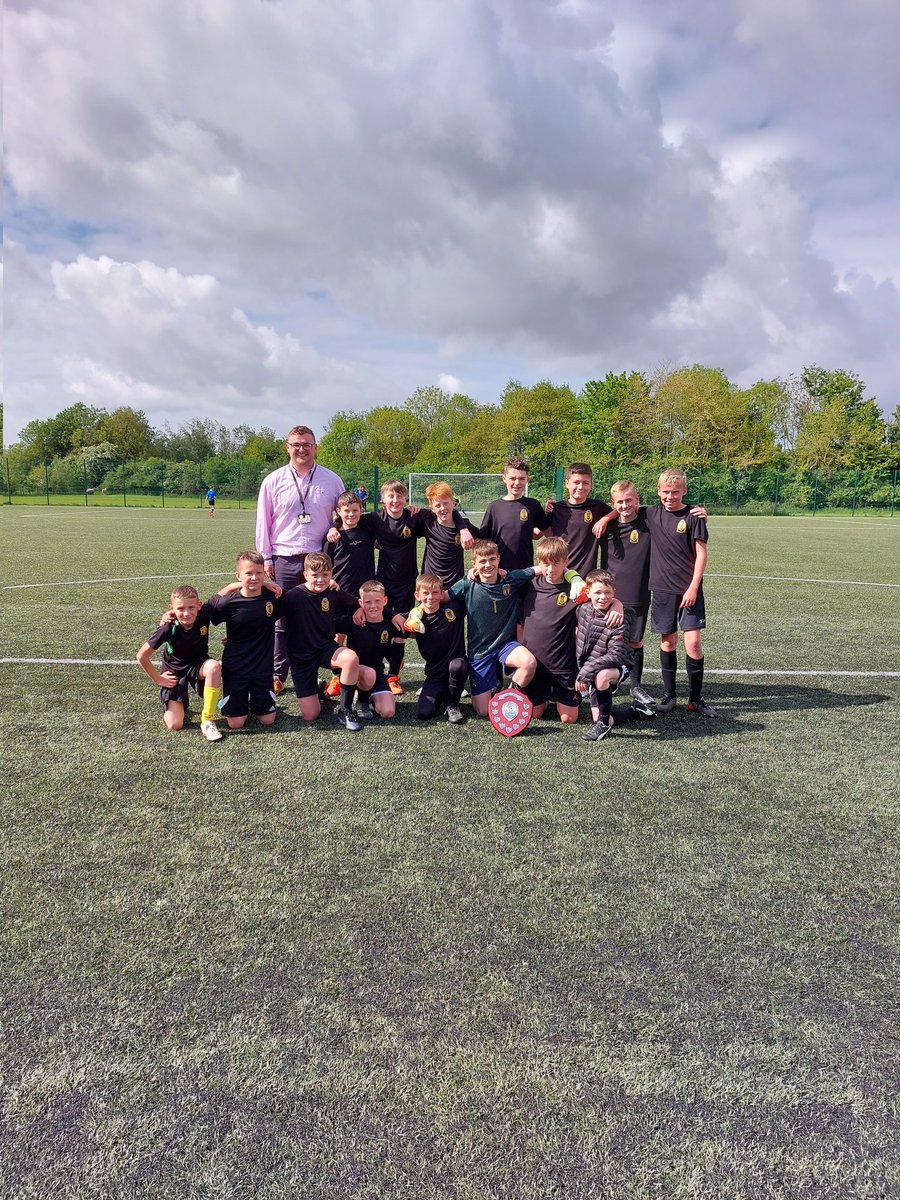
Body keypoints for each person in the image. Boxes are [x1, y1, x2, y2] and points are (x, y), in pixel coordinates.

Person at [255, 426, 344, 693]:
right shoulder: (273, 480)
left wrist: (336, 536)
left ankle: (325, 673)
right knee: (281, 621)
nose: (301, 449)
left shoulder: (332, 480)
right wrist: (265, 558)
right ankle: (277, 674)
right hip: (285, 558)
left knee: (323, 619)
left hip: (320, 561)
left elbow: (344, 516)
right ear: (287, 447)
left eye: (307, 444)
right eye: (296, 444)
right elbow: (264, 521)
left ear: (315, 447)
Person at [521, 537, 621, 725]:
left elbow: (601, 596)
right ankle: (545, 697)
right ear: (538, 561)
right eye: (546, 564)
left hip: (564, 666)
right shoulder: (530, 585)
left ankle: (561, 697)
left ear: (566, 562)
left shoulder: (576, 589)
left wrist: (618, 604)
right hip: (537, 664)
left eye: (556, 564)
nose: (551, 570)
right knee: (535, 714)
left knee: (569, 719)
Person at [645, 469, 715, 717]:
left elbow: (702, 554)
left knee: (693, 643)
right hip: (662, 589)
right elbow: (623, 506)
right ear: (658, 491)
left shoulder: (694, 515)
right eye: (666, 492)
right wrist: (603, 518)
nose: (670, 496)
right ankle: (670, 695)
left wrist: (693, 587)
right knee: (668, 641)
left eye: (675, 492)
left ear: (684, 491)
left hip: (689, 590)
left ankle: (696, 699)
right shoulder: (650, 513)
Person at [445, 539, 540, 718]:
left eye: (492, 559)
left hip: (506, 645)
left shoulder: (510, 579)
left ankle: (508, 698)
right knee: (483, 711)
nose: (488, 565)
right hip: (480, 652)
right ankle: (496, 690)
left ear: (498, 559)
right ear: (473, 564)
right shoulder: (467, 584)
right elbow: (441, 597)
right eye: (482, 561)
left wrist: (573, 578)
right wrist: (417, 611)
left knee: (529, 663)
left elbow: (540, 568)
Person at [280, 551, 365, 731]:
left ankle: (345, 710)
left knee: (350, 658)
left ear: (331, 573)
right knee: (311, 715)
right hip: (300, 657)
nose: (320, 580)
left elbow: (357, 602)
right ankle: (318, 689)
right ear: (305, 575)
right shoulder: (292, 596)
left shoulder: (333, 592)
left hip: (325, 648)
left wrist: (358, 609)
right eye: (315, 575)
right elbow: (267, 618)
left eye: (325, 575)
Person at [135, 584, 223, 742]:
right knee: (174, 724)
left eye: (191, 607)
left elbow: (226, 590)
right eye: (180, 608)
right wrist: (158, 679)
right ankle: (174, 705)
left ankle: (207, 720)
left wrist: (265, 584)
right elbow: (141, 655)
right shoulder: (168, 627)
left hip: (198, 664)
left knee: (214, 666)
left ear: (199, 605)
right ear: (171, 608)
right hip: (174, 671)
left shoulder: (204, 614)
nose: (186, 613)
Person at [206, 551, 282, 730]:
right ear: (238, 575)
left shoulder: (272, 597)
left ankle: (254, 702)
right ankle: (232, 702)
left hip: (262, 668)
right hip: (236, 667)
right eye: (248, 573)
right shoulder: (228, 603)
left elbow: (300, 597)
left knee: (268, 720)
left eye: (259, 573)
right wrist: (232, 586)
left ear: (264, 573)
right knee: (236, 723)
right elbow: (208, 608)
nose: (254, 578)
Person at [575, 570, 634, 742]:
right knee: (600, 716)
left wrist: (586, 671)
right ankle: (635, 711)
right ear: (588, 593)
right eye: (598, 592)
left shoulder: (619, 618)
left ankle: (604, 726)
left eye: (608, 592)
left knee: (602, 677)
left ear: (614, 592)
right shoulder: (582, 609)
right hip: (590, 666)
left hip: (618, 665)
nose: (603, 597)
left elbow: (616, 656)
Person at [403, 573, 468, 723]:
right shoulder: (412, 620)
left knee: (458, 665)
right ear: (417, 595)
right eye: (426, 593)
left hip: (456, 668)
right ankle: (444, 694)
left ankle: (452, 704)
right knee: (424, 713)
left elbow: (469, 589)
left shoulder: (454, 608)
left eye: (435, 592)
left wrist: (471, 575)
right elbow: (391, 620)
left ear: (442, 594)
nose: (430, 597)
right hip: (434, 675)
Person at [341, 579, 407, 719]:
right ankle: (362, 700)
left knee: (388, 712)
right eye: (368, 602)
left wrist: (394, 614)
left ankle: (369, 695)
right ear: (360, 603)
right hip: (355, 672)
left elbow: (417, 624)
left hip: (377, 674)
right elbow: (327, 621)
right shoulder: (353, 620)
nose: (373, 606)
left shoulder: (391, 623)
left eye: (377, 601)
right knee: (368, 674)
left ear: (385, 600)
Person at [478, 457, 549, 571]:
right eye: (512, 478)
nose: (517, 483)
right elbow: (482, 540)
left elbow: (547, 532)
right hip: (498, 570)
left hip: (525, 570)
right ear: (504, 478)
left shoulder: (533, 505)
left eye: (521, 478)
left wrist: (553, 513)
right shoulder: (494, 507)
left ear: (527, 479)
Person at [542, 463, 612, 577]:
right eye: (576, 482)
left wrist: (604, 519)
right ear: (566, 483)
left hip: (585, 576)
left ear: (591, 485)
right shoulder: (556, 508)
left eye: (585, 483)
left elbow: (618, 512)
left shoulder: (598, 507)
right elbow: (542, 532)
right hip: (559, 573)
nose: (580, 487)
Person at [420, 480, 478, 588]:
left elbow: (485, 545)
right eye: (437, 505)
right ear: (431, 508)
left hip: (454, 587)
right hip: (430, 587)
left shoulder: (465, 526)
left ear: (453, 502)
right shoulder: (427, 522)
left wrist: (476, 568)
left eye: (446, 503)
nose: (442, 508)